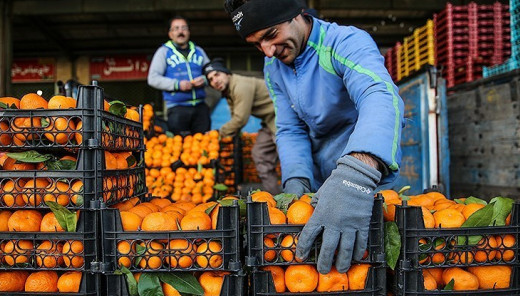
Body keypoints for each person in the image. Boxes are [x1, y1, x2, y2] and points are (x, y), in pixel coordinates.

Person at [224, 0, 404, 274]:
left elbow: (378, 94)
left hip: (363, 175)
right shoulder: (273, 68)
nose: (268, 51)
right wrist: (297, 178)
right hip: (320, 181)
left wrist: (357, 176)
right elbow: (290, 128)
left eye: (271, 35)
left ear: (297, 14)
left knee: (366, 267)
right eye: (257, 44)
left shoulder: (344, 42)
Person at [203, 58, 281, 195]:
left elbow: (240, 119)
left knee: (287, 154)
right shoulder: (229, 93)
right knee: (260, 153)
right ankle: (275, 197)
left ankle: (299, 195)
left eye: (217, 75)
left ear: (226, 73)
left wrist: (218, 133)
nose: (214, 81)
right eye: (210, 79)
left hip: (282, 117)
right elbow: (235, 119)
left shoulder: (240, 85)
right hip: (269, 121)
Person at [147, 16, 211, 135]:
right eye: (176, 28)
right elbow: (152, 78)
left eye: (184, 28)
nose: (180, 32)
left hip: (201, 107)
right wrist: (177, 85)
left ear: (189, 32)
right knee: (179, 147)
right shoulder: (163, 52)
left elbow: (211, 72)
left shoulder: (199, 51)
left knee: (204, 144)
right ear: (170, 34)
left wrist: (205, 79)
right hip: (177, 109)